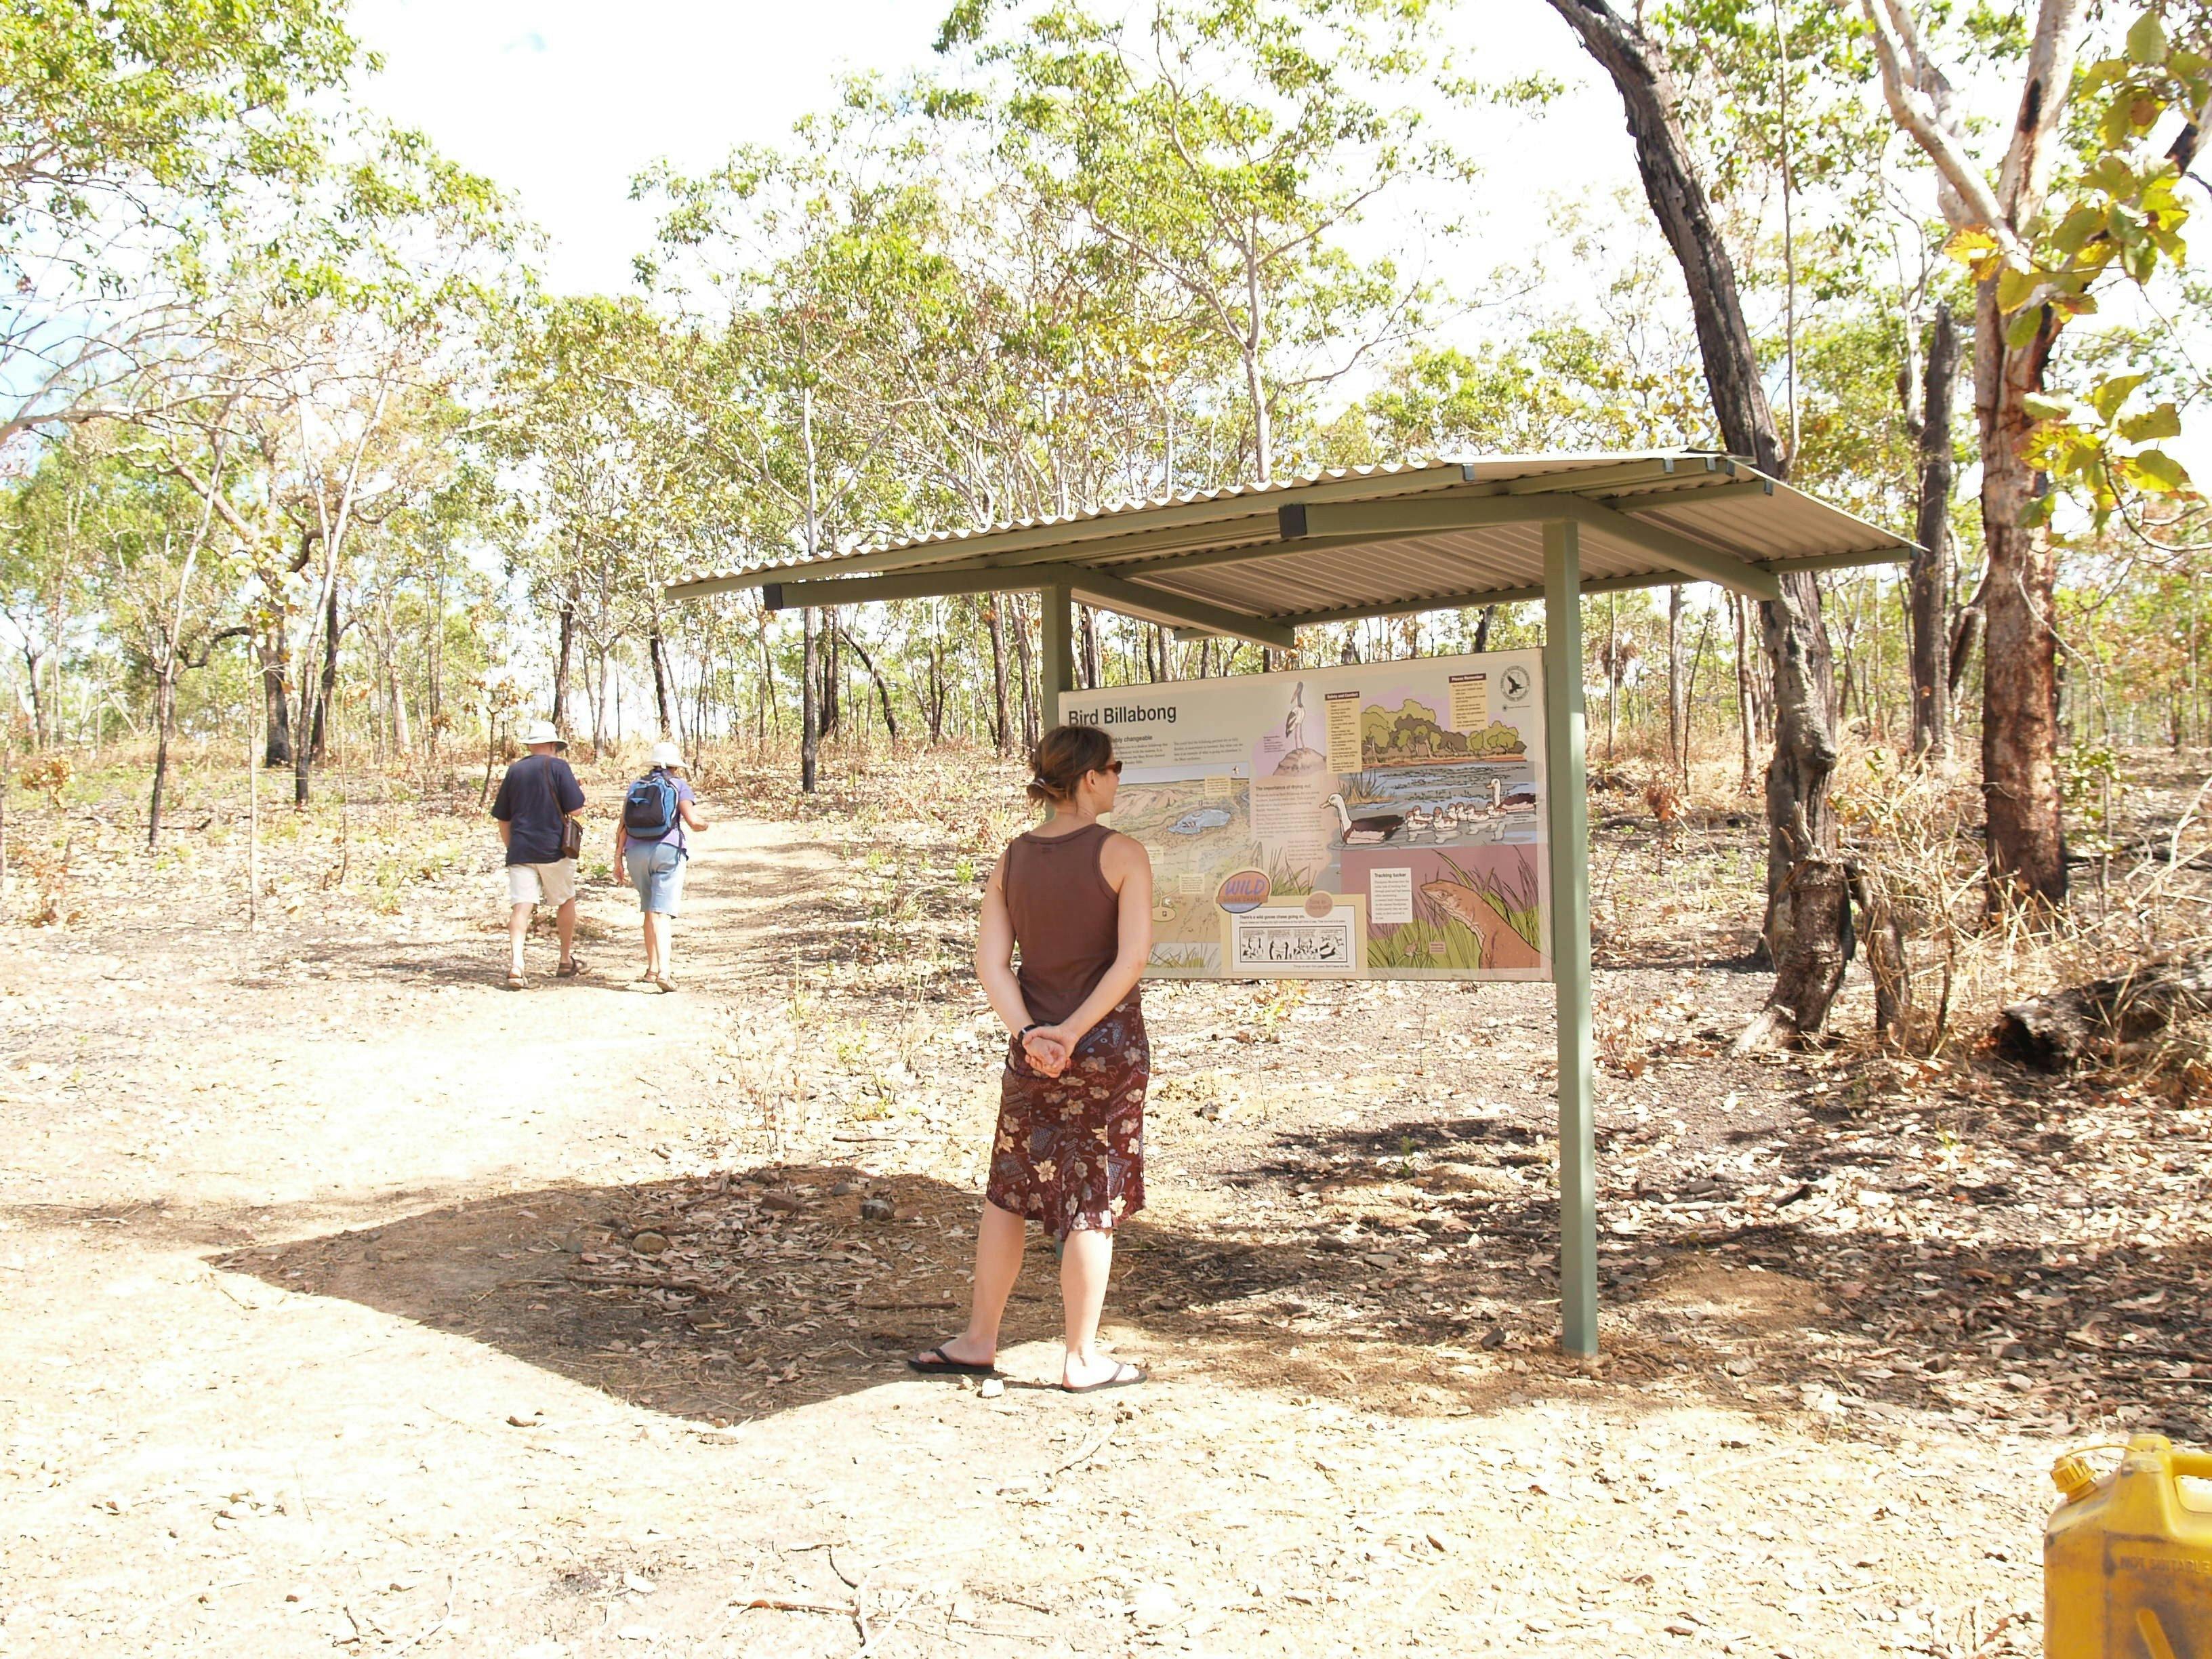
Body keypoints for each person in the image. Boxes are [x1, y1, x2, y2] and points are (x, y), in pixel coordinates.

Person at [910, 724, 1154, 1393]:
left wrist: (1030, 1034)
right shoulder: (1124, 855)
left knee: (1008, 1196)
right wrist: (1075, 1032)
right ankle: (1080, 1358)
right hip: (1104, 1049)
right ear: (1090, 778)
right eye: (1115, 767)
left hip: (1032, 1052)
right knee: (1091, 1200)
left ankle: (979, 1338)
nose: (1119, 778)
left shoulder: (1012, 859)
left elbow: (993, 964)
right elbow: (1131, 959)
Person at [489, 718, 586, 990]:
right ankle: (565, 960)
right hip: (554, 848)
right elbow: (576, 809)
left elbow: (502, 818)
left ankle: (517, 964)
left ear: (531, 745)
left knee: (522, 905)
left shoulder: (515, 771)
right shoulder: (559, 767)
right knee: (565, 900)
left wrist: (512, 847)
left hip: (521, 848)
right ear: (554, 745)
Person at [613, 740, 708, 994]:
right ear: (675, 766)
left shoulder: (636, 785)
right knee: (661, 912)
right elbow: (692, 820)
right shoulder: (678, 785)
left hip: (635, 853)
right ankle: (665, 971)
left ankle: (652, 968)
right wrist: (704, 825)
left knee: (649, 910)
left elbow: (622, 825)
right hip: (668, 851)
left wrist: (617, 860)